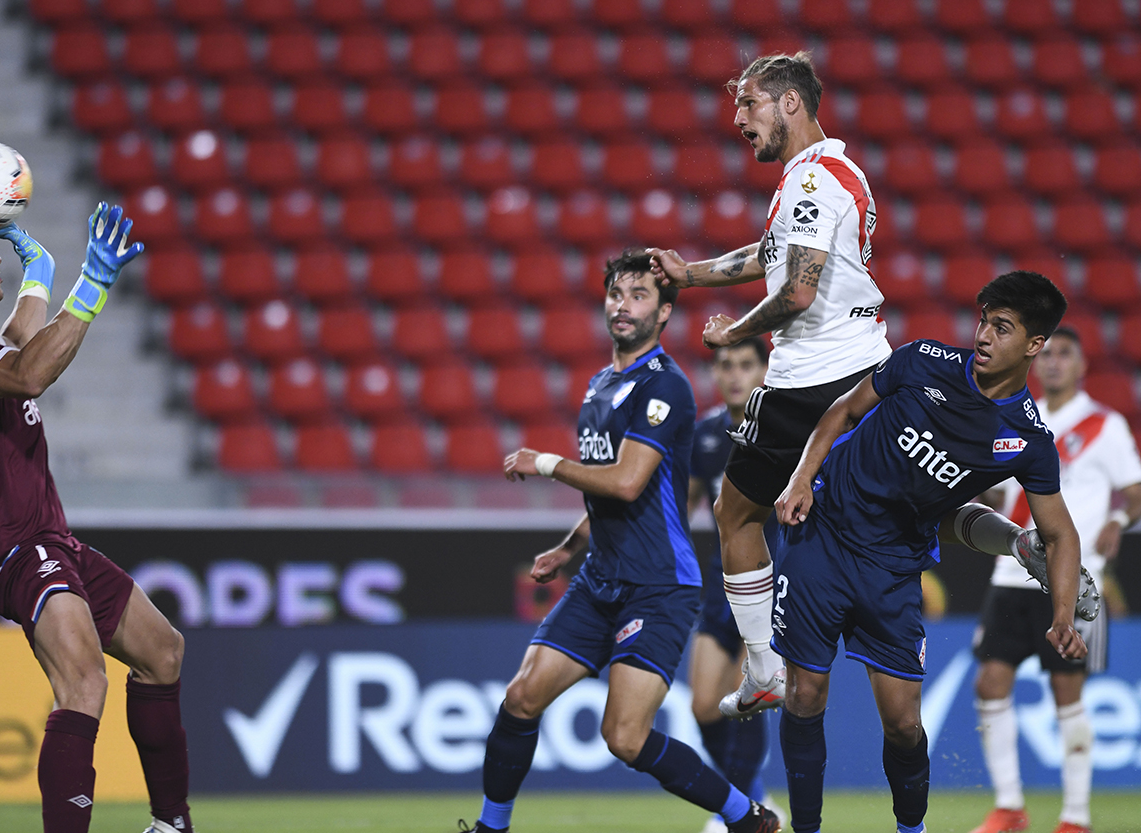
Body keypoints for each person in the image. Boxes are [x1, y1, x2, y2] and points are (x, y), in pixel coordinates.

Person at [460, 252, 779, 833]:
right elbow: (616, 489)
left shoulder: (666, 386)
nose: (622, 305)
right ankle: (490, 828)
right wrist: (570, 546)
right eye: (616, 294)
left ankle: (747, 817)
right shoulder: (600, 385)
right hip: (599, 579)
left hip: (657, 586)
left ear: (664, 312)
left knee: (625, 738)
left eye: (638, 295)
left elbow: (628, 482)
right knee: (521, 697)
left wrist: (545, 462)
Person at [0, 205, 193, 833]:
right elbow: (28, 373)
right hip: (13, 547)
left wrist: (41, 272)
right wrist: (91, 286)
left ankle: (172, 825)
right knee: (84, 681)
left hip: (48, 538)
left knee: (162, 651)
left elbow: (15, 347)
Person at [771, 270, 1088, 833]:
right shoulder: (922, 361)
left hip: (895, 565)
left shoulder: (1028, 439)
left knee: (902, 725)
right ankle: (806, 829)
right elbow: (845, 410)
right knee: (804, 693)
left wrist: (1062, 616)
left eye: (1003, 328)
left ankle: (911, 828)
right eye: (984, 321)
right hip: (824, 534)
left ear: (1033, 344)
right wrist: (801, 478)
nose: (984, 336)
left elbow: (1060, 533)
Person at [648, 51, 890, 719]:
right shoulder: (826, 175)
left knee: (735, 514)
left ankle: (762, 669)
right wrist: (692, 274)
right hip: (866, 367)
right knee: (896, 506)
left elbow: (797, 292)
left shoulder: (810, 180)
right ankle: (1016, 540)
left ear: (790, 102)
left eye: (749, 103)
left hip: (809, 380)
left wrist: (734, 333)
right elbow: (774, 257)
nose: (738, 119)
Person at [968, 327, 1141, 833]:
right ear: (1035, 362)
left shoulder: (1104, 425)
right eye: (1048, 354)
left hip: (1074, 580)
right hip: (1011, 573)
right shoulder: (1016, 420)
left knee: (1067, 692)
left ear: (1082, 365)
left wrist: (1117, 520)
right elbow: (1000, 494)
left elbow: (1135, 493)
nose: (1055, 362)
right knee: (989, 682)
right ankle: (1009, 807)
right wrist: (975, 492)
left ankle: (1076, 816)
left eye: (1066, 354)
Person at [687, 338, 780, 833]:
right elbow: (680, 509)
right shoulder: (705, 435)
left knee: (749, 700)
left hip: (770, 584)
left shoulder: (787, 431)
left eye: (746, 365)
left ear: (765, 371)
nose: (735, 375)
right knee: (703, 705)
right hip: (719, 585)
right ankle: (752, 799)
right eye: (726, 365)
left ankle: (741, 810)